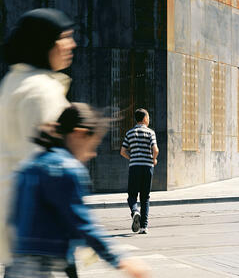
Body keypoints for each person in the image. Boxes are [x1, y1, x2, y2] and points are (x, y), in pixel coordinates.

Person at [5, 103, 151, 278]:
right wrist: (120, 260)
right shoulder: (67, 169)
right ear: (79, 134)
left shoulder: (29, 166)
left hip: (17, 265)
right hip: (46, 268)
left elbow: (14, 220)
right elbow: (83, 224)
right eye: (92, 145)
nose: (92, 154)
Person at [0, 8, 76, 270]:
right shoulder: (41, 90)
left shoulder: (13, 81)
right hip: (38, 236)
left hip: (15, 231)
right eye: (64, 37)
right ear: (46, 44)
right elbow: (49, 171)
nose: (71, 44)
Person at [120, 108, 159, 234]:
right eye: (148, 117)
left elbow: (123, 151)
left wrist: (133, 157)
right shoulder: (150, 133)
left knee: (132, 195)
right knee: (145, 197)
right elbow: (156, 149)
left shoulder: (129, 133)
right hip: (147, 167)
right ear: (145, 118)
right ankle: (144, 227)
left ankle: (135, 211)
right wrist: (153, 160)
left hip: (135, 167)